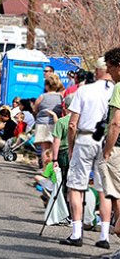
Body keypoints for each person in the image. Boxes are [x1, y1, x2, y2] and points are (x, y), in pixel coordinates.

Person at [61, 57, 114, 250]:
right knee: (104, 189)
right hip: (106, 141)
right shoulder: (115, 90)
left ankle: (76, 233)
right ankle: (104, 235)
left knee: (76, 186)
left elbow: (72, 123)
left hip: (85, 138)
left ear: (98, 70)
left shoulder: (84, 90)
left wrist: (72, 146)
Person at [100, 47, 120, 243]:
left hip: (118, 149)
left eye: (110, 68)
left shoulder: (119, 88)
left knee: (116, 196)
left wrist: (107, 152)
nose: (109, 73)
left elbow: (115, 123)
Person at [34, 75, 65, 165]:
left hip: (42, 124)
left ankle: (44, 168)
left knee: (44, 148)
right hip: (55, 124)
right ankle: (51, 169)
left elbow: (36, 109)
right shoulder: (60, 97)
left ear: (47, 85)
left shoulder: (42, 97)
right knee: (52, 148)